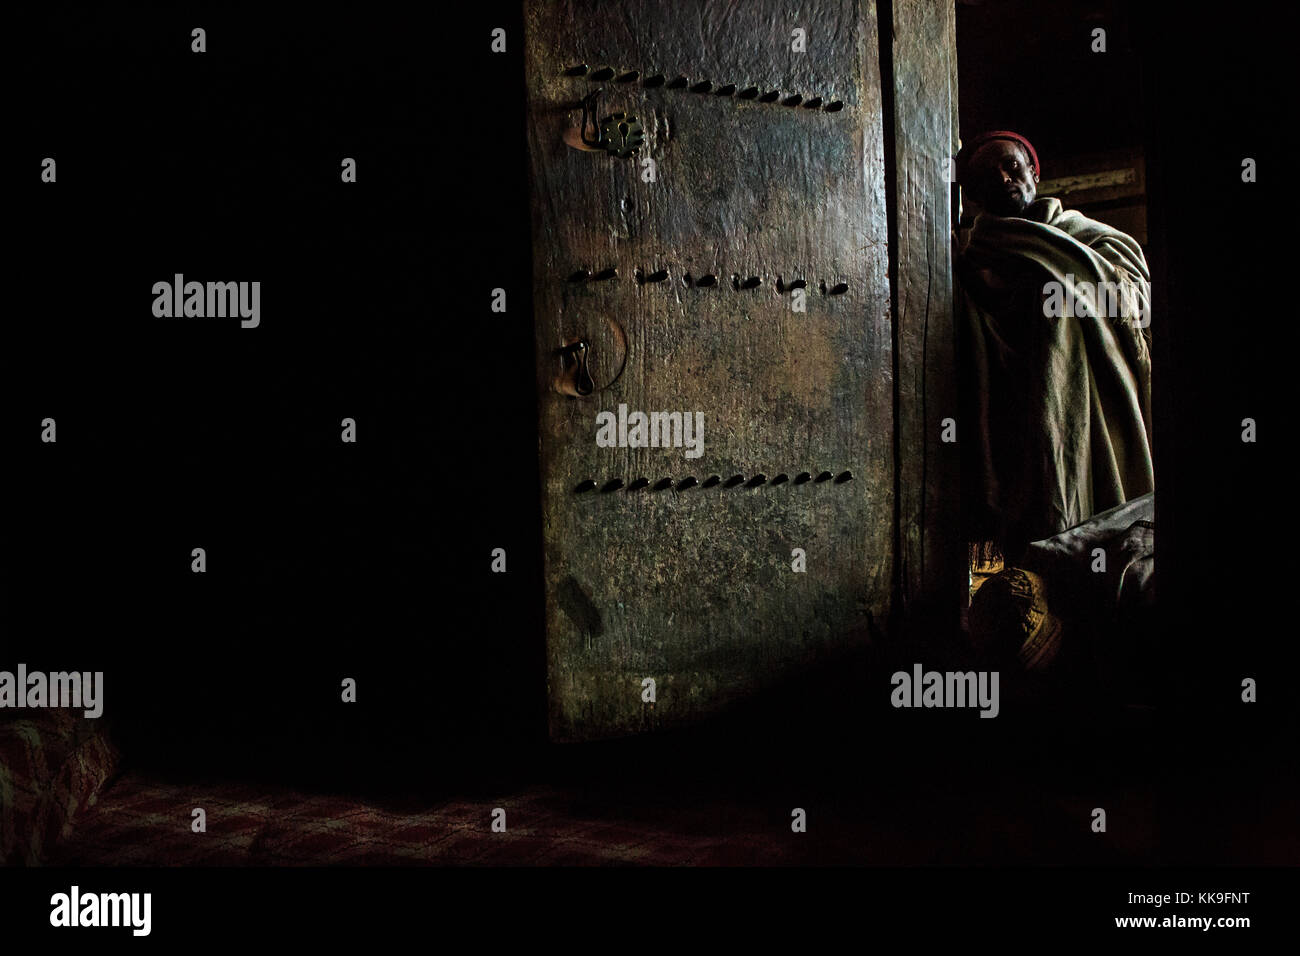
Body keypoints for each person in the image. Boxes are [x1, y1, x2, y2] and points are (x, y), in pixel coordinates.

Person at [954, 130, 1154, 566]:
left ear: (1034, 173)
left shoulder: (1089, 236)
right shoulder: (968, 266)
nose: (1004, 177)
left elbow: (1137, 302)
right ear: (973, 196)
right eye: (988, 176)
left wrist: (1059, 286)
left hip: (1095, 410)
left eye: (1012, 166)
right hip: (1016, 420)